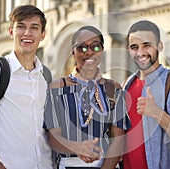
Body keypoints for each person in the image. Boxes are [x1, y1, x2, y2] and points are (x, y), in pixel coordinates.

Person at [0, 4, 53, 169]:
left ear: (42, 35)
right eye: (21, 26)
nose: (27, 33)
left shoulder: (44, 76)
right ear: (11, 32)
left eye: (34, 28)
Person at [44, 25, 131, 169]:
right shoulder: (57, 88)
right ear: (73, 51)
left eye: (95, 47)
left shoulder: (113, 89)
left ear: (102, 50)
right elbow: (53, 137)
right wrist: (77, 147)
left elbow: (118, 139)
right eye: (82, 48)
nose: (89, 52)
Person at [122, 20, 170, 169]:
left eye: (147, 45)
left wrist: (156, 113)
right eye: (134, 47)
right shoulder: (127, 85)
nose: (141, 52)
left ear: (159, 46)